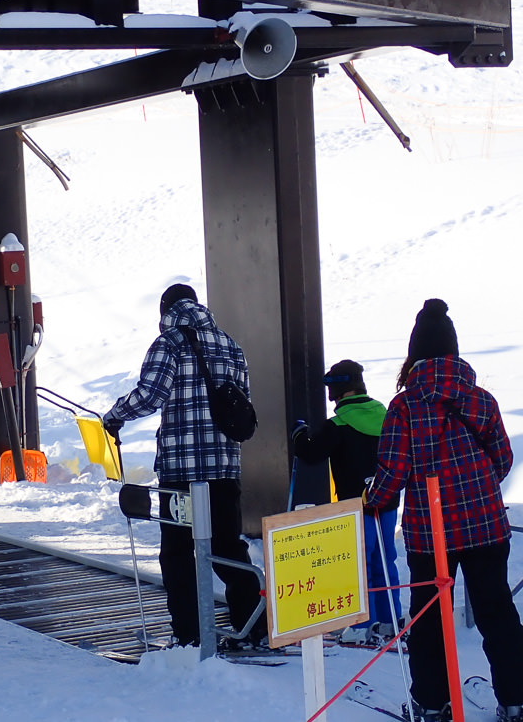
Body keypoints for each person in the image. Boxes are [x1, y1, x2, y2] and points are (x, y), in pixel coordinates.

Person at [365, 299, 522, 722]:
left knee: (430, 621)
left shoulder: (404, 407)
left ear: (414, 352)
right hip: (487, 525)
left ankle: (432, 705)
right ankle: (516, 700)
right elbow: (503, 459)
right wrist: (477, 486)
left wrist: (373, 498)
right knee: (498, 614)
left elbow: (392, 473)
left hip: (430, 534)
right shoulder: (481, 399)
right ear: (454, 350)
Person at [103, 283, 266, 650]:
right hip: (224, 467)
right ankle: (253, 627)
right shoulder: (231, 345)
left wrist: (114, 416)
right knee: (227, 548)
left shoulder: (170, 343)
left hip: (182, 474)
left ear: (165, 311)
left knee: (177, 552)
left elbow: (150, 395)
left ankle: (189, 634)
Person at [291, 359, 401, 646]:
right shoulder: (385, 414)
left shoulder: (338, 425)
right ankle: (391, 621)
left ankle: (361, 626)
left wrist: (299, 433)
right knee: (385, 560)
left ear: (336, 392)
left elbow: (310, 453)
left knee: (360, 563)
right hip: (387, 501)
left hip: (355, 505)